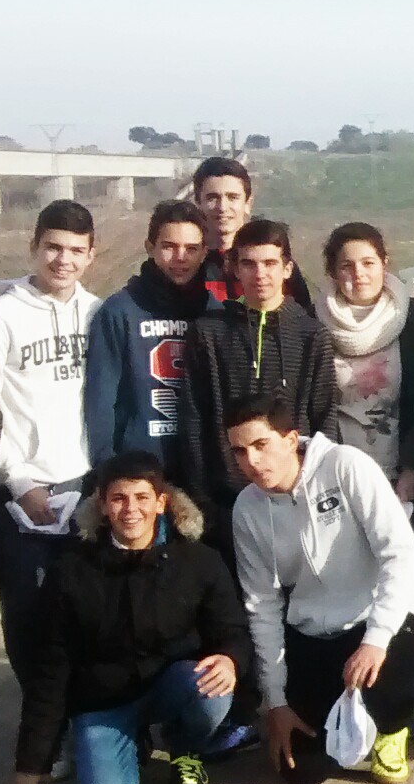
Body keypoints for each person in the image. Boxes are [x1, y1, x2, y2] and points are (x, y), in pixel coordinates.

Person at [7, 452, 244, 784]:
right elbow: (52, 667)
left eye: (142, 498)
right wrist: (33, 760)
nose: (130, 509)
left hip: (169, 685)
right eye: (118, 498)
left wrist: (230, 657)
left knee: (212, 687)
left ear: (161, 502)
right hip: (103, 701)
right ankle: (126, 742)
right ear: (102, 505)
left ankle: (185, 746)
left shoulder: (198, 561)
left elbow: (231, 629)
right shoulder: (71, 570)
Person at [229, 397, 414, 784]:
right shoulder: (247, 509)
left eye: (260, 445)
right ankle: (345, 719)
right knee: (299, 772)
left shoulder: (346, 466)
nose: (251, 461)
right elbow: (262, 606)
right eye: (239, 451)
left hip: (379, 623)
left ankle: (391, 727)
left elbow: (401, 556)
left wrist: (375, 640)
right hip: (313, 632)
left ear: (290, 439)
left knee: (388, 674)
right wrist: (276, 702)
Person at [0, 201, 99, 714]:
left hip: (86, 484)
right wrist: (19, 479)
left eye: (74, 250)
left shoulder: (97, 313)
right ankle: (43, 724)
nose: (62, 260)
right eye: (52, 247)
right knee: (28, 614)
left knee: (86, 613)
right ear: (34, 246)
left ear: (91, 255)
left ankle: (82, 718)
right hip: (23, 493)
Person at [317, 222, 414, 739]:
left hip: (398, 477)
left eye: (368, 262)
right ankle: (349, 694)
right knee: (341, 585)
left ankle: (413, 692)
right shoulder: (313, 324)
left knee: (404, 588)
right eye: (346, 265)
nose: (358, 274)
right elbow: (312, 404)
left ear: (384, 262)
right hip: (336, 475)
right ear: (331, 272)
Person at [179, 218, 339, 518]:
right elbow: (194, 419)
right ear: (235, 268)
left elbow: (324, 418)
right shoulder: (208, 333)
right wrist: (203, 496)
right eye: (249, 264)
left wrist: (319, 487)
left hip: (297, 493)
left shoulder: (311, 335)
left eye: (270, 263)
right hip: (226, 499)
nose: (260, 274)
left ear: (287, 268)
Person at [85, 201, 211, 471]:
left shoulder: (214, 312)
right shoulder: (119, 311)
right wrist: (107, 469)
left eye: (191, 249)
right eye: (169, 246)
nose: (180, 257)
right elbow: (100, 402)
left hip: (201, 470)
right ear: (149, 246)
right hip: (139, 473)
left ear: (204, 253)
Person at [189, 157, 312, 307]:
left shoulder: (275, 266)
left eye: (232, 197)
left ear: (248, 204)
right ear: (198, 204)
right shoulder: (186, 265)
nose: (222, 207)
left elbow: (302, 319)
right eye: (212, 198)